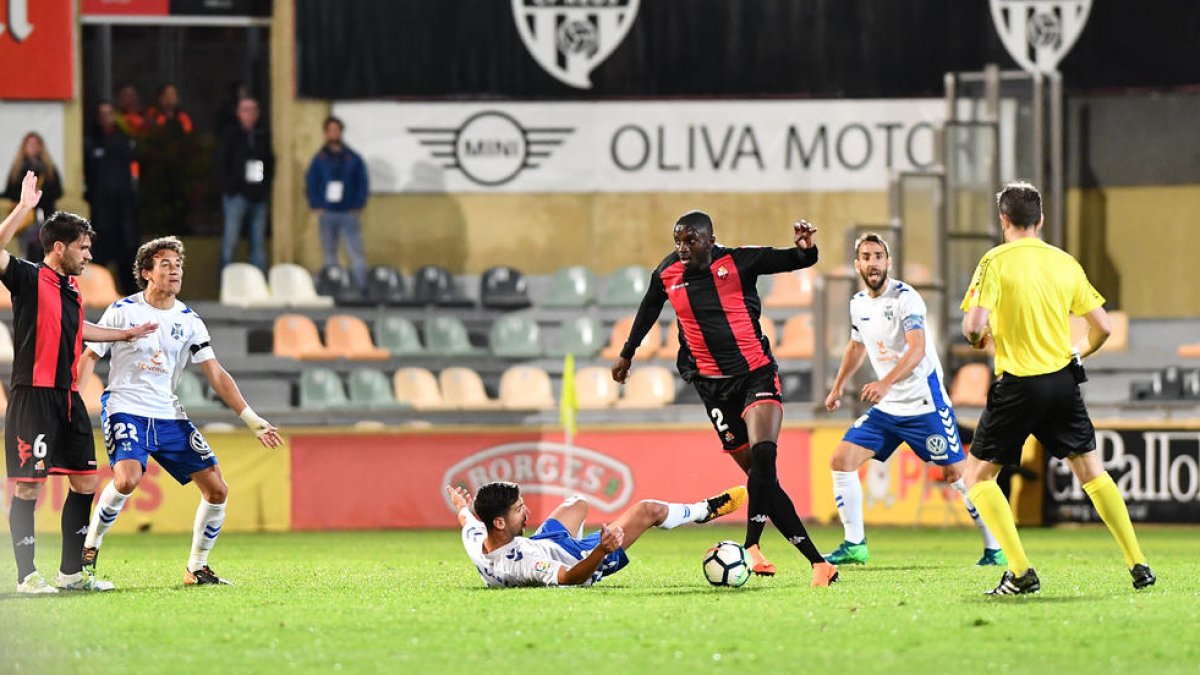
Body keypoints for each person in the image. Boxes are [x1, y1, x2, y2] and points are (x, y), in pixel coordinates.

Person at [611, 210, 838, 587]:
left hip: (755, 374)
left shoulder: (738, 261)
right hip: (712, 387)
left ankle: (751, 545)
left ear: (710, 239)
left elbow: (792, 260)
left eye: (691, 241)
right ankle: (819, 563)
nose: (683, 248)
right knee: (761, 478)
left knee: (765, 457)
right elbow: (649, 306)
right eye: (678, 241)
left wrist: (805, 249)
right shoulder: (668, 273)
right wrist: (628, 351)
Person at [960, 181, 1155, 595]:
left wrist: (977, 337)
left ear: (1004, 220)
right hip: (1063, 382)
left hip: (1018, 385)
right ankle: (1138, 563)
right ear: (1041, 219)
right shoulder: (1064, 262)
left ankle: (1020, 572)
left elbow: (975, 327)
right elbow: (1103, 327)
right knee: (1091, 472)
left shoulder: (994, 261)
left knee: (976, 476)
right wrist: (1077, 352)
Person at [77, 236, 284, 586]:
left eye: (179, 265)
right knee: (127, 479)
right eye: (166, 264)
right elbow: (89, 357)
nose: (175, 271)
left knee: (217, 490)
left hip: (168, 414)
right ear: (147, 273)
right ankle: (90, 546)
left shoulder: (189, 320)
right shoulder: (123, 310)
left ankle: (197, 568)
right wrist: (72, 403)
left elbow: (216, 374)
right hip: (125, 407)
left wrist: (251, 418)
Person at [1, 171, 157, 594]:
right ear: (58, 247)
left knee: (86, 482)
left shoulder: (72, 287)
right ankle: (26, 576)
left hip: (69, 397)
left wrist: (123, 335)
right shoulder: (28, 277)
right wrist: (22, 209)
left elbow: (78, 329)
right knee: (29, 487)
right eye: (83, 248)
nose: (89, 255)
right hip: (32, 396)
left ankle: (71, 574)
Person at [822, 233, 1005, 567]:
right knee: (841, 460)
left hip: (925, 405)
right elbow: (856, 347)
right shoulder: (858, 304)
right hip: (887, 411)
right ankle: (855, 545)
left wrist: (885, 383)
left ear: (888, 262)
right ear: (857, 264)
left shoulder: (906, 298)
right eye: (866, 256)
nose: (872, 262)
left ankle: (996, 548)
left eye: (878, 256)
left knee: (958, 476)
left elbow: (917, 348)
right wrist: (837, 388)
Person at [447, 482, 746, 588]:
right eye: (518, 510)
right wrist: (602, 550)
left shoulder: (478, 541)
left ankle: (574, 540)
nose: (526, 513)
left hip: (542, 543)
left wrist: (461, 505)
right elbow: (570, 578)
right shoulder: (522, 563)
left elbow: (467, 521)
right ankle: (703, 511)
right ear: (499, 523)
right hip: (580, 559)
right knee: (648, 509)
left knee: (577, 503)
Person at [305, 116, 369, 292]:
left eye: (337, 130)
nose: (334, 133)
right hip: (327, 213)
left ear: (341, 132)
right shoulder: (319, 159)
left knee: (355, 250)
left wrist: (358, 204)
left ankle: (362, 286)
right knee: (329, 253)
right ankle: (333, 286)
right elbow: (312, 182)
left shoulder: (353, 158)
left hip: (348, 212)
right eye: (330, 130)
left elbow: (362, 182)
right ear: (326, 133)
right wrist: (316, 205)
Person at [85, 101, 141, 295]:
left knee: (126, 255)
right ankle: (98, 292)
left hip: (123, 210)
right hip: (101, 210)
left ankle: (131, 293)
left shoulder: (123, 140)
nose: (106, 117)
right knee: (100, 253)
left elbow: (133, 172)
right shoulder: (91, 140)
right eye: (102, 114)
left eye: (109, 113)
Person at [215, 97, 275, 273]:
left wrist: (265, 188)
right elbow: (221, 164)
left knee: (258, 243)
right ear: (239, 113)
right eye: (245, 110)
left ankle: (261, 286)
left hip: (258, 195)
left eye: (253, 110)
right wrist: (229, 188)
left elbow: (269, 164)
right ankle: (226, 283)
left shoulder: (262, 135)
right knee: (230, 241)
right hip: (237, 196)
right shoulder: (230, 136)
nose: (250, 114)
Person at [4, 132, 63, 260]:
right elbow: (10, 191)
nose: (33, 147)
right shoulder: (18, 169)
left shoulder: (49, 169)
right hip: (25, 218)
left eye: (36, 144)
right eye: (29, 144)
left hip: (45, 216)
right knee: (26, 252)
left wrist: (40, 195)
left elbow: (58, 191)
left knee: (46, 251)